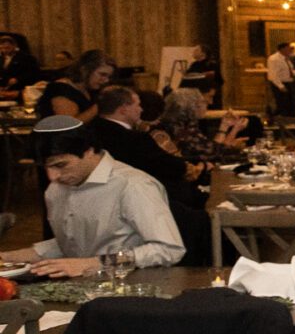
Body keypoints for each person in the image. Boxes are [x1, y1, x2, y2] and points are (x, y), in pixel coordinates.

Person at [1, 117, 184, 276]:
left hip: (132, 288)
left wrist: (93, 263)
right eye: (44, 168)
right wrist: (8, 258)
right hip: (82, 287)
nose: (52, 177)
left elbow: (169, 249)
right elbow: (75, 244)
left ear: (89, 151)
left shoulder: (132, 185)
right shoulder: (56, 190)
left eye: (61, 165)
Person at [89, 86, 205, 204]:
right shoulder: (134, 138)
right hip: (144, 198)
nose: (141, 110)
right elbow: (163, 163)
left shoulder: (90, 131)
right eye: (137, 105)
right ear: (123, 109)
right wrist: (190, 167)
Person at [155, 86, 247, 165]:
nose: (209, 104)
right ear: (191, 106)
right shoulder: (181, 129)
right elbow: (211, 153)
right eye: (203, 102)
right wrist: (233, 133)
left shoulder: (183, 124)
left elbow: (212, 149)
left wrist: (225, 126)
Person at [37, 50, 115, 122]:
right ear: (85, 69)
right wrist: (100, 104)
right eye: (102, 74)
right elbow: (69, 125)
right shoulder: (61, 89)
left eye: (108, 77)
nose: (106, 80)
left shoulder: (90, 89)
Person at [0, 33, 40, 101]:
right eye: (2, 48)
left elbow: (34, 74)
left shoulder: (27, 58)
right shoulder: (1, 59)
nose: (5, 50)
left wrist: (18, 79)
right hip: (4, 92)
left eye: (7, 48)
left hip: (20, 91)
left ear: (14, 46)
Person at [266, 42, 295, 117]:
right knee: (283, 103)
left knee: (293, 102)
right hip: (281, 83)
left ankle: (292, 117)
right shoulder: (274, 59)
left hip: (290, 82)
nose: (290, 50)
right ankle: (282, 118)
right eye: (288, 48)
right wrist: (280, 86)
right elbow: (273, 74)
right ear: (283, 49)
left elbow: (288, 70)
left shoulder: (286, 58)